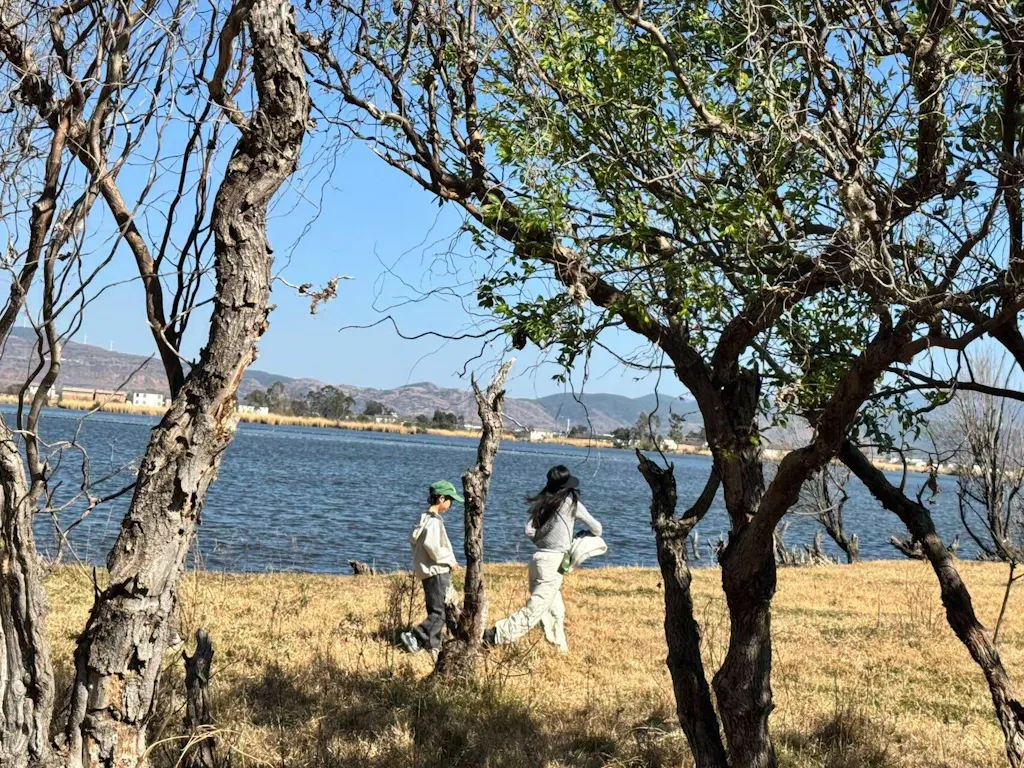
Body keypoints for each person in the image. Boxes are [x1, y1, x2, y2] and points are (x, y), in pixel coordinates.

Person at [483, 465, 602, 652]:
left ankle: (559, 649)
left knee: (555, 609)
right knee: (535, 609)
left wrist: (542, 540)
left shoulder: (543, 501)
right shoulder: (571, 503)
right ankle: (495, 636)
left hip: (538, 559)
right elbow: (597, 528)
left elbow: (529, 530)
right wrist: (578, 536)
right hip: (554, 563)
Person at [400, 480, 462, 653]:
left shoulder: (423, 518)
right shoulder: (433, 521)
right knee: (440, 612)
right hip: (437, 570)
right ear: (441, 499)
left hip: (426, 571)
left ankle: (432, 645)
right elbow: (433, 547)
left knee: (434, 609)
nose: (451, 505)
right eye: (450, 500)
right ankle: (415, 636)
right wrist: (450, 561)